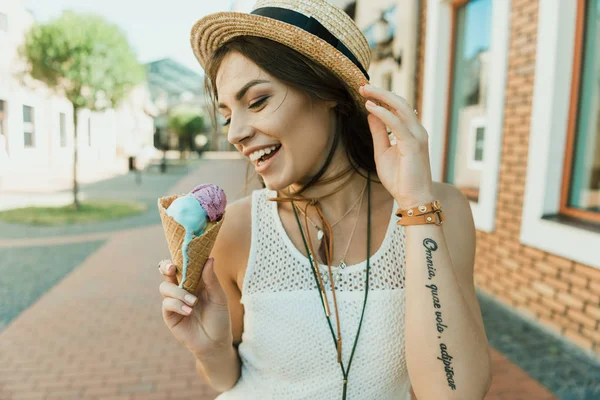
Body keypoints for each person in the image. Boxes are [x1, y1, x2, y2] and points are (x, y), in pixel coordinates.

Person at [157, 0, 492, 399]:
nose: (236, 134)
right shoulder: (238, 228)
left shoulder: (439, 210)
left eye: (258, 101)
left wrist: (416, 202)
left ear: (327, 90)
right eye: (229, 115)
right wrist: (209, 348)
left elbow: (455, 394)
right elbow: (226, 380)